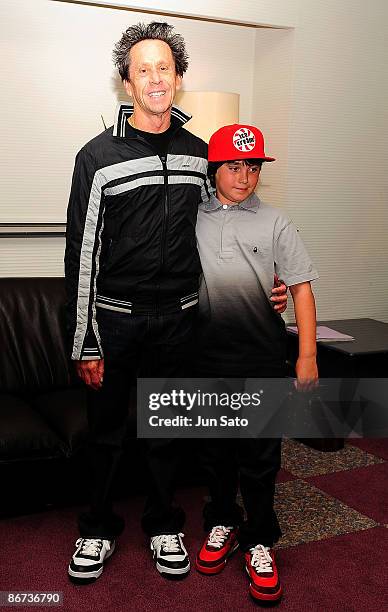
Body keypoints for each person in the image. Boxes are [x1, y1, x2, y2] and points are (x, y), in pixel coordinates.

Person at [64, 22, 288, 584]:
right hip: (115, 321)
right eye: (143, 69)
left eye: (164, 67)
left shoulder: (199, 153)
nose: (155, 77)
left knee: (167, 429)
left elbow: (228, 226)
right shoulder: (97, 156)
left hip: (182, 321)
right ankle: (96, 528)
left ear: (179, 77)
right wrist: (84, 339)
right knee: (109, 434)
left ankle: (164, 522)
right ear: (127, 82)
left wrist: (268, 283)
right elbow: (81, 253)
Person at [193, 124, 319, 603]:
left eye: (252, 167)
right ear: (215, 169)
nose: (244, 177)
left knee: (259, 454)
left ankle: (261, 538)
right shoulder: (193, 217)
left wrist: (306, 356)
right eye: (233, 166)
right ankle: (222, 521)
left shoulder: (276, 222)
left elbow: (301, 287)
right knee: (215, 450)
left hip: (261, 358)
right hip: (205, 359)